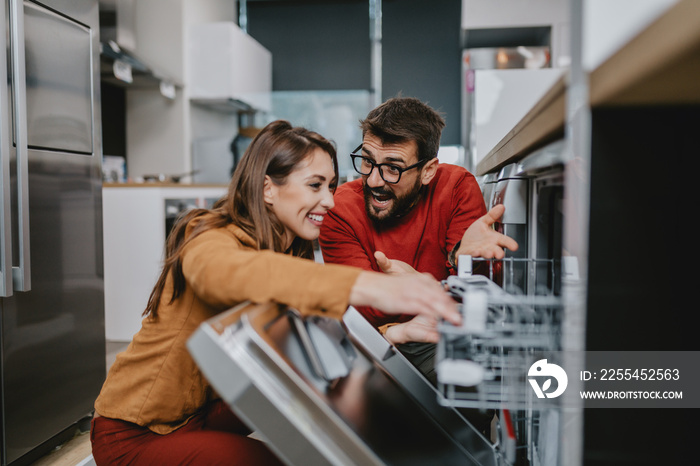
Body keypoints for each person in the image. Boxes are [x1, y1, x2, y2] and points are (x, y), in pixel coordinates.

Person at [90, 120, 461, 466]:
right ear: (269, 188)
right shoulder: (208, 236)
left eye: (331, 186)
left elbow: (313, 344)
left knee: (305, 411)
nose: (330, 201)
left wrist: (394, 334)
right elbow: (223, 275)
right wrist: (370, 286)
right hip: (133, 435)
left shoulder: (282, 250)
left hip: (199, 415)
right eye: (315, 186)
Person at [318, 97, 517, 391]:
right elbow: (362, 316)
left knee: (477, 365)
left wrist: (461, 258)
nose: (374, 180)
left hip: (446, 336)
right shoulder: (339, 211)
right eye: (367, 161)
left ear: (428, 171)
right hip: (376, 345)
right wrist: (437, 290)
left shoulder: (456, 187)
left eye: (393, 167)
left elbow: (475, 305)